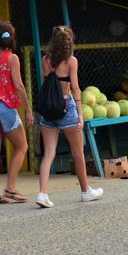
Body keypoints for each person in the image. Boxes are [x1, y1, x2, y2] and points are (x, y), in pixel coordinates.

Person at [36, 26, 103, 207]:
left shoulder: (45, 59)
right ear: (69, 43)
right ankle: (85, 191)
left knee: (48, 153)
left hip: (48, 109)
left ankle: (42, 194)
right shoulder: (71, 61)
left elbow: (46, 81)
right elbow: (75, 87)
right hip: (66, 107)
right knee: (78, 153)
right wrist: (80, 113)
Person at [0, 21, 34, 205]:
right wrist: (28, 110)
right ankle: (10, 188)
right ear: (11, 37)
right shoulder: (12, 58)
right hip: (4, 107)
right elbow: (18, 86)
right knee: (22, 146)